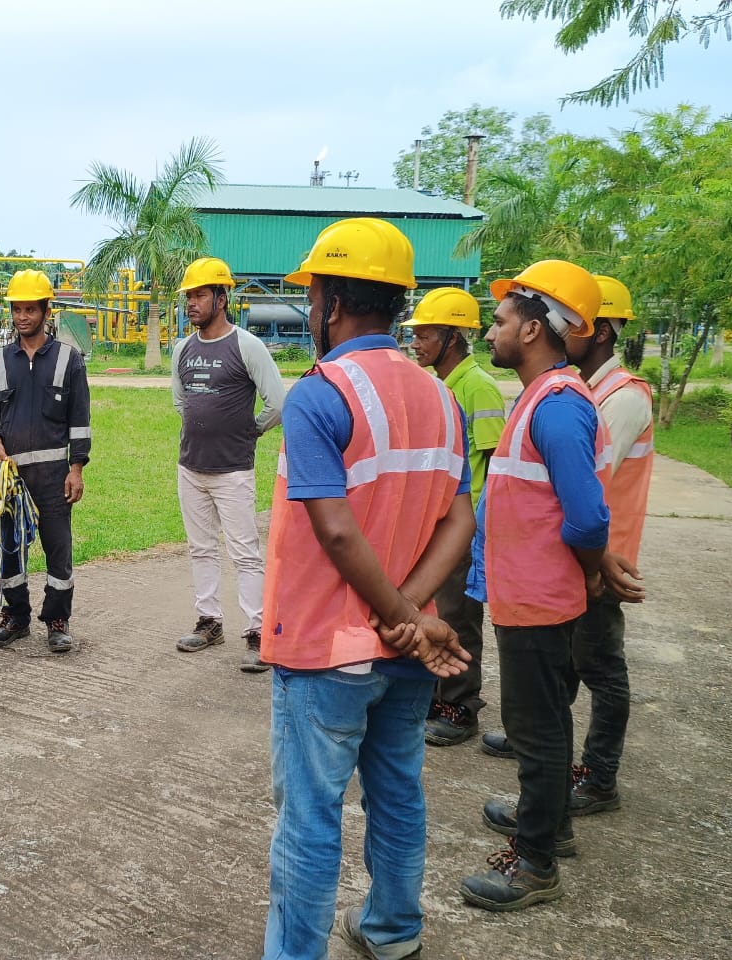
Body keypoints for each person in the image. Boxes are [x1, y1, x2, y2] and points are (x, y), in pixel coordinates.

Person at [260, 218, 475, 960]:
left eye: (312, 292)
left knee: (311, 817)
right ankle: (391, 931)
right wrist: (413, 616)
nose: (310, 307)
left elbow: (339, 533)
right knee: (396, 794)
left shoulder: (321, 396)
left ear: (332, 301)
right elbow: (460, 517)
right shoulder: (440, 396)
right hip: (408, 651)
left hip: (325, 650)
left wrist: (395, 615)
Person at [458, 261, 645, 912]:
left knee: (536, 730)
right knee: (542, 723)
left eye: (503, 318)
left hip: (539, 601)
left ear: (534, 327)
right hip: (526, 594)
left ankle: (535, 864)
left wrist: (597, 565)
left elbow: (589, 514)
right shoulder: (542, 396)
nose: (492, 327)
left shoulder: (560, 406)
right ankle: (551, 823)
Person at [401, 288, 506, 745]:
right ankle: (433, 695)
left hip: (462, 527)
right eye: (416, 334)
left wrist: (473, 530)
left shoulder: (476, 386)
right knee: (431, 610)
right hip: (432, 522)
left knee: (460, 618)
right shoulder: (434, 385)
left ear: (453, 336)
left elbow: (494, 465)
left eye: (425, 335)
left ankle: (462, 705)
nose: (416, 343)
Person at [170, 256, 285, 672]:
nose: (192, 303)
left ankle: (257, 632)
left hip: (233, 470)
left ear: (222, 297)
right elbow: (181, 401)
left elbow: (277, 403)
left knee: (245, 552)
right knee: (200, 548)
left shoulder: (246, 346)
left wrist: (248, 431)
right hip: (191, 466)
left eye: (201, 295)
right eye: (189, 296)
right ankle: (208, 621)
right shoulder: (183, 348)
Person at [0, 269, 91, 653]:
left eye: (30, 309)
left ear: (46, 311)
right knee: (10, 548)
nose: (22, 316)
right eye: (17, 309)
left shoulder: (68, 361)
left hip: (55, 475)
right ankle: (16, 616)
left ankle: (57, 620)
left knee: (58, 549)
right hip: (10, 478)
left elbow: (80, 420)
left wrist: (77, 469)